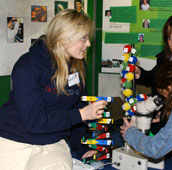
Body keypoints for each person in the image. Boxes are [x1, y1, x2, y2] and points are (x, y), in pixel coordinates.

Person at [0, 9, 108, 170]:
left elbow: (78, 109)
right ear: (64, 38)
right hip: (14, 138)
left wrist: (80, 147)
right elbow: (34, 122)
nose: (88, 44)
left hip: (52, 143)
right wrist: (82, 114)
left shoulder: (78, 65)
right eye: (83, 38)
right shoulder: (28, 66)